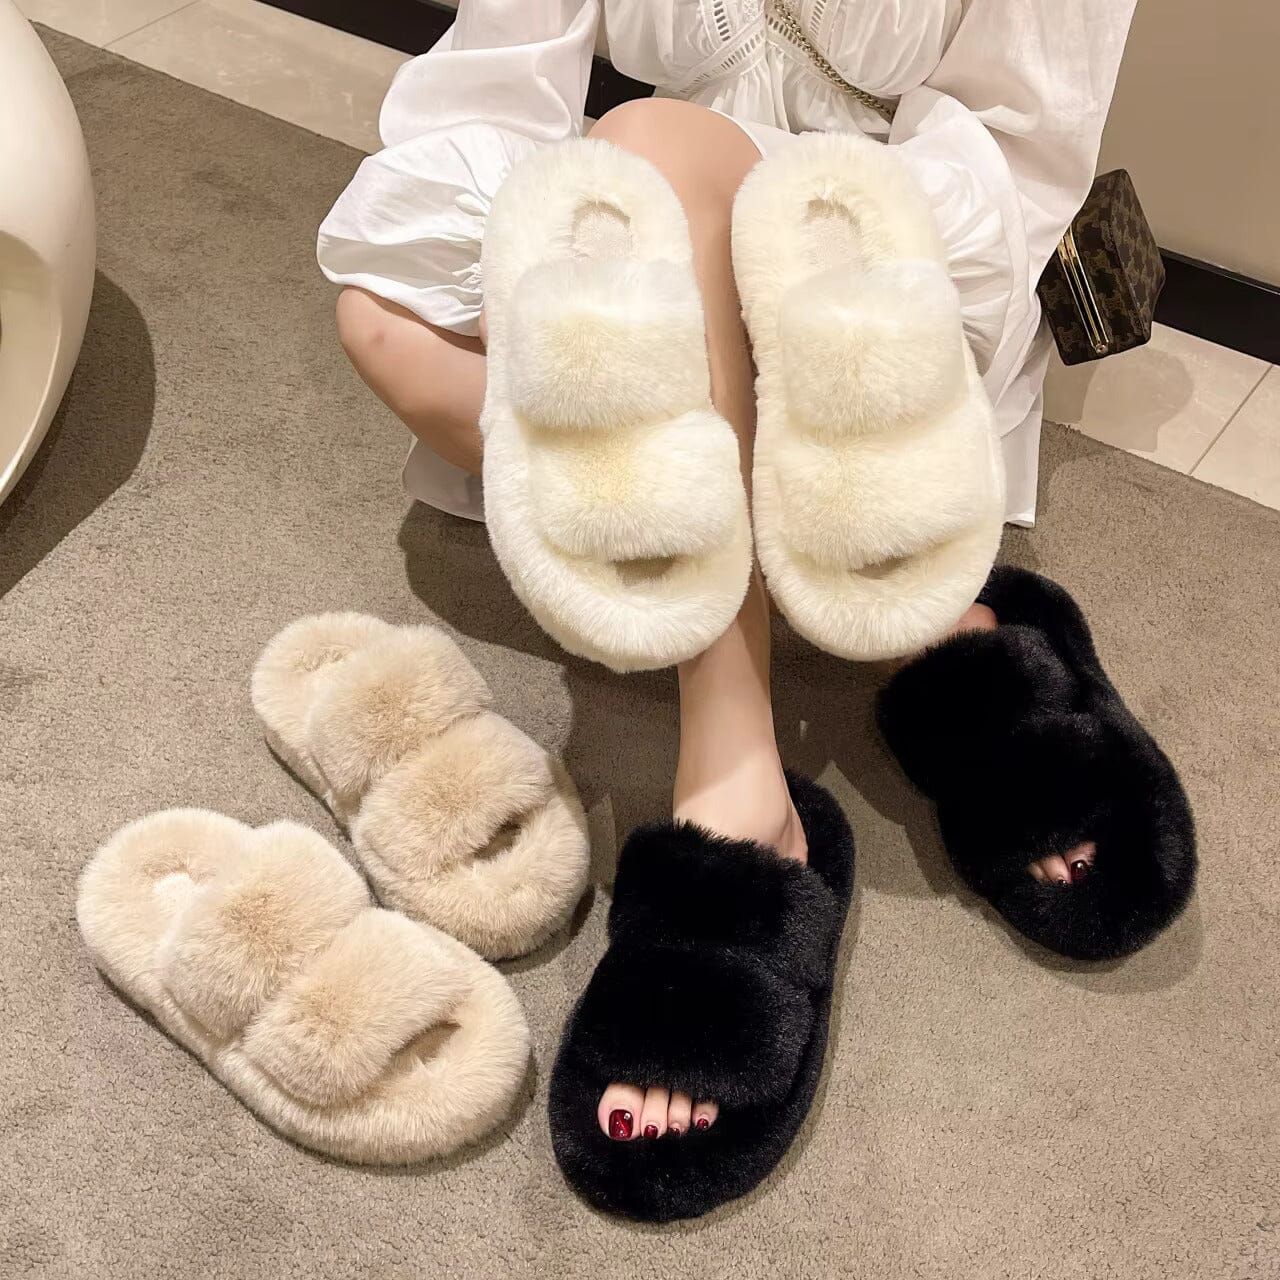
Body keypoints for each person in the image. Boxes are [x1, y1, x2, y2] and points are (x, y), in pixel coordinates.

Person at [317, 0, 1134, 1146]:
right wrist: (570, 259)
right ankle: (907, 601)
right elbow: (496, 78)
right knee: (388, 317)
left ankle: (734, 746)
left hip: (882, 262)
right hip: (671, 216)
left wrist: (746, 255)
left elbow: (1022, 148)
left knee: (655, 148)